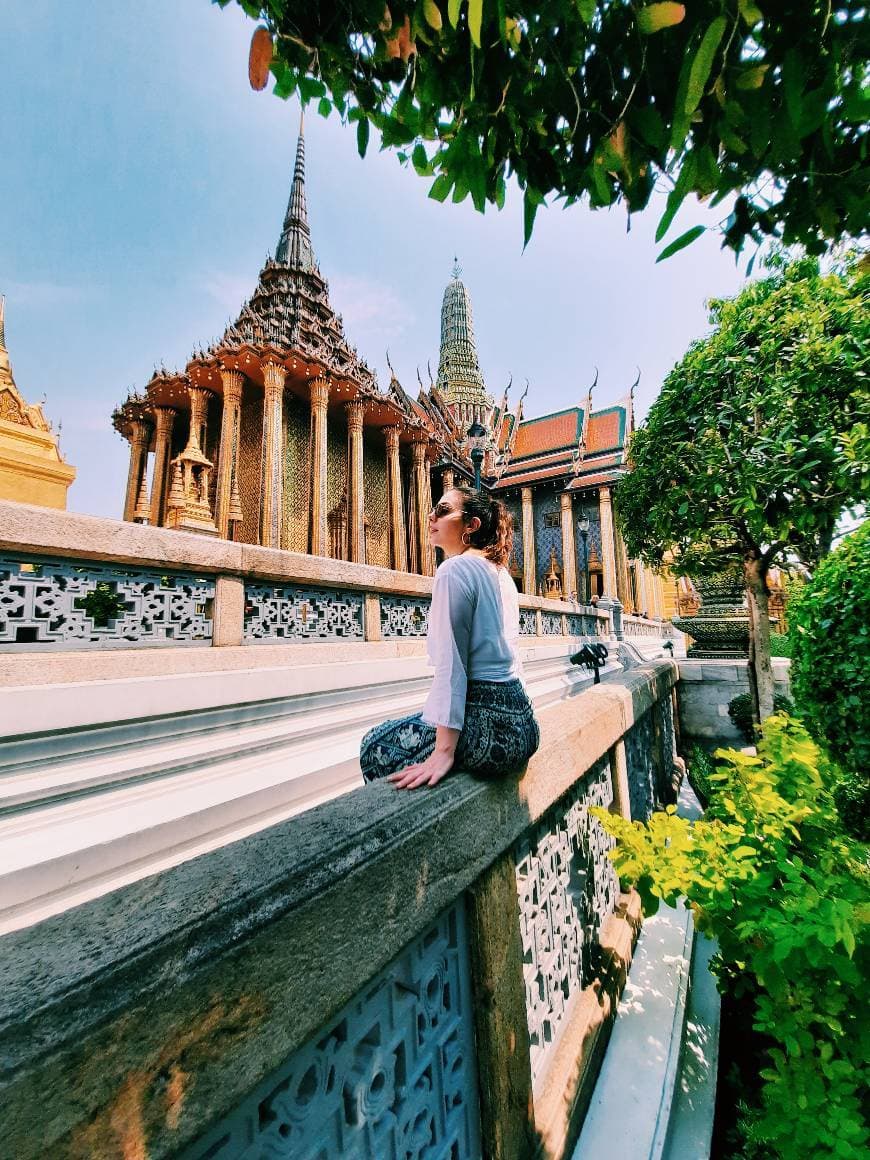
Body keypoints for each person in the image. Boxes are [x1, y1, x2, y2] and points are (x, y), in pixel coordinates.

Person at [360, 486, 540, 790]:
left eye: (443, 511)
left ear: (472, 525)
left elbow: (452, 666)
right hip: (523, 726)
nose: (431, 515)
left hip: (490, 733)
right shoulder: (500, 573)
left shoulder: (454, 570)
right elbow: (513, 657)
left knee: (372, 748)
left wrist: (443, 753)